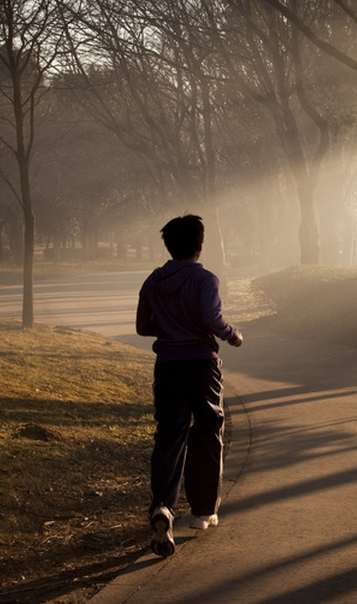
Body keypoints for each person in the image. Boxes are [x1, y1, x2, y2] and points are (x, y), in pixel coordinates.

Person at [136, 214, 244, 558]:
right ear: (199, 245)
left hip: (168, 366)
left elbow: (142, 326)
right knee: (209, 430)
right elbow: (212, 318)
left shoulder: (153, 282)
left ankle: (162, 508)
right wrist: (232, 335)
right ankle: (202, 511)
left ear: (169, 245)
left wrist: (170, 328)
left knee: (169, 436)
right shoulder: (205, 279)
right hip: (201, 365)